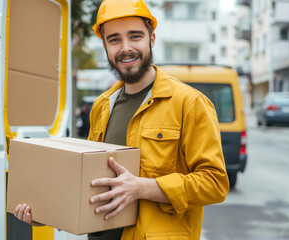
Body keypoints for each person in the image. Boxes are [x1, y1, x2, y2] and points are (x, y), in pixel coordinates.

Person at [14, 0, 229, 239]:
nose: (125, 48)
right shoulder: (102, 105)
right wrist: (46, 212)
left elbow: (215, 183)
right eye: (114, 39)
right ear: (105, 46)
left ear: (152, 39)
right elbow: (89, 184)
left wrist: (142, 187)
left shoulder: (189, 104)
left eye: (135, 36)